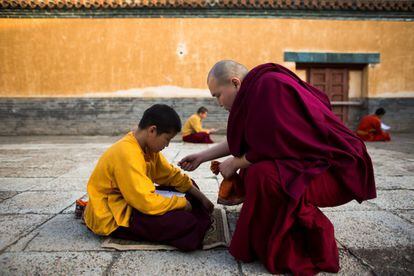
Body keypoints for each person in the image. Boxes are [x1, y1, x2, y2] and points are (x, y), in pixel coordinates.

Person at [179, 60, 376, 275]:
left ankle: (307, 243)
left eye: (217, 95)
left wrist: (235, 162)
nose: (218, 102)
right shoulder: (254, 94)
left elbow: (280, 142)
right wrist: (201, 156)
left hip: (336, 168)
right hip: (313, 162)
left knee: (263, 175)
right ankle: (266, 232)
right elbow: (250, 140)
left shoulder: (269, 86)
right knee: (253, 170)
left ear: (235, 83)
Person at [84, 104, 214, 251]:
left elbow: (171, 175)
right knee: (185, 222)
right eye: (167, 139)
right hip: (115, 213)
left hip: (135, 199)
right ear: (152, 130)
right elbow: (145, 202)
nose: (167, 145)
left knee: (191, 187)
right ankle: (193, 221)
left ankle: (194, 218)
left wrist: (202, 197)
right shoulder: (127, 153)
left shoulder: (147, 148)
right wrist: (182, 204)